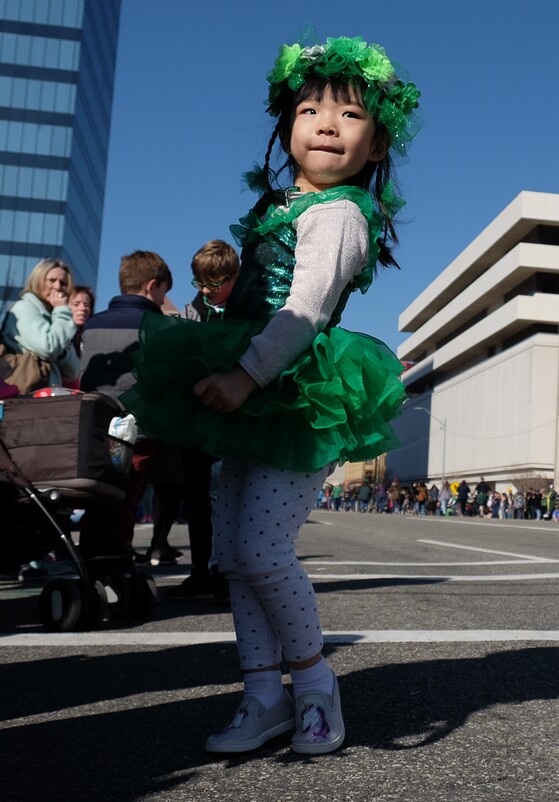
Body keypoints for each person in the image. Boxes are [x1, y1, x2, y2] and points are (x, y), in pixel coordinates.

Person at [119, 36, 420, 756]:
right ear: (287, 126)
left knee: (261, 549)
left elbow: (306, 309)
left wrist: (244, 374)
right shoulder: (281, 208)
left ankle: (315, 687)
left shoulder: (341, 215)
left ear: (376, 146)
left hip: (293, 394)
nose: (324, 122)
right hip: (253, 386)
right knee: (233, 554)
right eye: (310, 108)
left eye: (348, 115)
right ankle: (261, 697)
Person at [78, 251, 182, 563]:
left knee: (99, 498)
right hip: (136, 430)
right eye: (165, 292)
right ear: (153, 286)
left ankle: (91, 559)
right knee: (125, 499)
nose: (164, 299)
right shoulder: (158, 326)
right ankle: (113, 567)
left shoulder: (93, 325)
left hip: (92, 430)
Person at [167, 240, 240, 601]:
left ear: (234, 277)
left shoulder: (248, 311)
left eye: (215, 283)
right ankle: (200, 571)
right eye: (201, 283)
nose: (207, 291)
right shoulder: (189, 312)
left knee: (223, 497)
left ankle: (223, 572)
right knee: (196, 498)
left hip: (233, 421)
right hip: (194, 419)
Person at [1, 258, 79, 389]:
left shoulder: (55, 318)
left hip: (46, 396)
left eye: (63, 283)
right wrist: (62, 311)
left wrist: (62, 353)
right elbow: (48, 348)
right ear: (38, 280)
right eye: (52, 280)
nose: (58, 287)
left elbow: (73, 372)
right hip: (25, 395)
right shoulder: (24, 308)